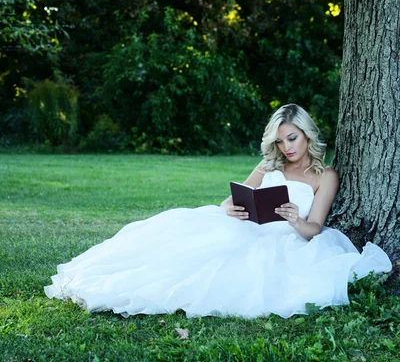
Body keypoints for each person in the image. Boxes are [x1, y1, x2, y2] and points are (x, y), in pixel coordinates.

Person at [45, 104, 392, 318]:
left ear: (307, 135)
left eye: (292, 138)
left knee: (229, 273)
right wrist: (234, 210)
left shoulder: (324, 175)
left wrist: (295, 219)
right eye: (280, 140)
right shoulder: (267, 164)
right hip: (247, 225)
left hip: (287, 239)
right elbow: (231, 200)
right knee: (182, 247)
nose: (286, 147)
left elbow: (315, 227)